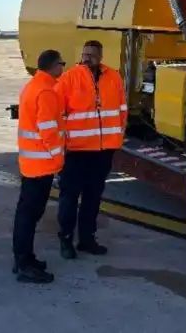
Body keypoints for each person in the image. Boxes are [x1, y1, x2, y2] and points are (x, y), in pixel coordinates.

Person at [55, 39, 127, 259]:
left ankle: (87, 239)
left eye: (92, 55)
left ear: (100, 57)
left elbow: (122, 109)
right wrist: (62, 145)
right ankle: (66, 240)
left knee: (93, 198)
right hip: (75, 151)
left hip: (103, 151)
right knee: (69, 198)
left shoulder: (114, 77)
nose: (87, 58)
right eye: (85, 54)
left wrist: (117, 138)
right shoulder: (69, 77)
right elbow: (57, 113)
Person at [12, 49, 66, 283]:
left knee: (27, 214)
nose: (63, 68)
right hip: (40, 165)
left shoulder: (33, 86)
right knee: (29, 216)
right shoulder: (46, 92)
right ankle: (24, 264)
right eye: (62, 63)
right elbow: (48, 130)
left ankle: (24, 259)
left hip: (30, 164)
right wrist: (58, 159)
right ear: (54, 66)